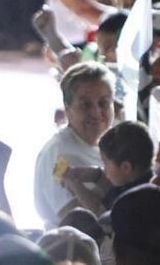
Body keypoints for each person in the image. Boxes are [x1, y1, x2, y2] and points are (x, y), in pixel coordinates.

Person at [34, 62, 115, 229]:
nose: (96, 113)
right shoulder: (59, 155)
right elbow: (77, 222)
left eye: (103, 103)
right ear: (67, 108)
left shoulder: (109, 144)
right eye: (85, 105)